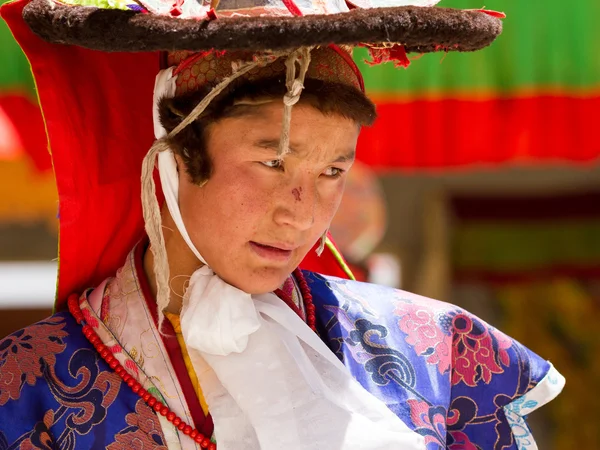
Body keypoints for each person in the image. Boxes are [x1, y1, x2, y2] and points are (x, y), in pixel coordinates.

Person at [0, 0, 563, 448]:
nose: (301, 211)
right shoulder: (29, 387)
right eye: (273, 162)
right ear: (176, 157)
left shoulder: (432, 350)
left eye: (332, 171)